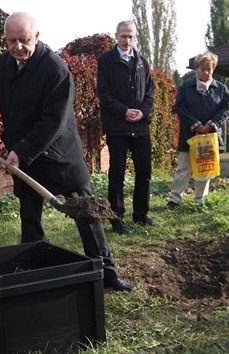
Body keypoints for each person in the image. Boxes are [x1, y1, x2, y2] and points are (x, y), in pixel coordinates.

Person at [0, 12, 135, 291]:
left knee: (85, 213)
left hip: (60, 156)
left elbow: (53, 121)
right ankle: (36, 272)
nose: (18, 47)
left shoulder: (55, 69)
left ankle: (107, 273)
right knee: (30, 218)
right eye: (12, 41)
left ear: (37, 37)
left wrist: (21, 151)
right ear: (4, 40)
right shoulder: (4, 65)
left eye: (24, 40)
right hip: (26, 156)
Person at [96, 20, 156, 234]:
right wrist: (123, 111)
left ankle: (140, 215)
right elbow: (103, 93)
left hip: (140, 127)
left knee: (144, 172)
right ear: (116, 36)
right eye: (123, 36)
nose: (126, 40)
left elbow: (150, 92)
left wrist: (142, 112)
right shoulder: (106, 61)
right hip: (117, 127)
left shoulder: (142, 62)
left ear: (135, 37)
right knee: (117, 173)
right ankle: (116, 219)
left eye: (130, 36)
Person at [165, 52, 229, 209]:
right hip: (189, 135)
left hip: (210, 135)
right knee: (183, 168)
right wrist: (195, 124)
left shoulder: (221, 89)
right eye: (203, 69)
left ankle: (200, 200)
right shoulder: (185, 87)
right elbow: (180, 107)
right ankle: (175, 199)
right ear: (196, 69)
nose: (206, 72)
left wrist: (211, 124)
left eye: (209, 69)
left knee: (205, 168)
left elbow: (226, 110)